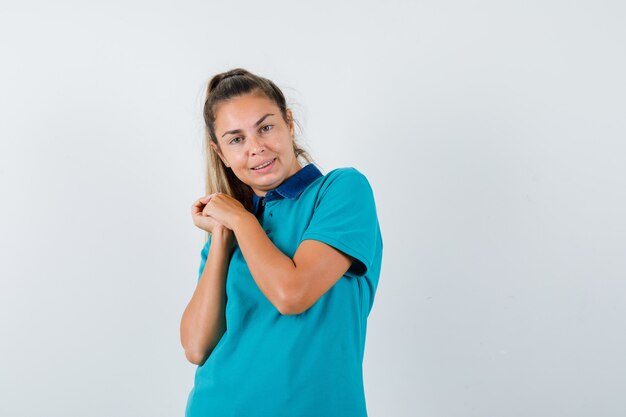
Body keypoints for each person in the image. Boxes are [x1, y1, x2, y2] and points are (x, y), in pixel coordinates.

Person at [180, 68, 383, 417]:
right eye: (236, 139)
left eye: (266, 127)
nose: (256, 148)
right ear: (221, 153)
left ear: (289, 122)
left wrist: (241, 220)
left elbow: (293, 294)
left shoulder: (340, 191)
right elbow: (197, 347)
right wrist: (221, 235)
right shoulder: (230, 228)